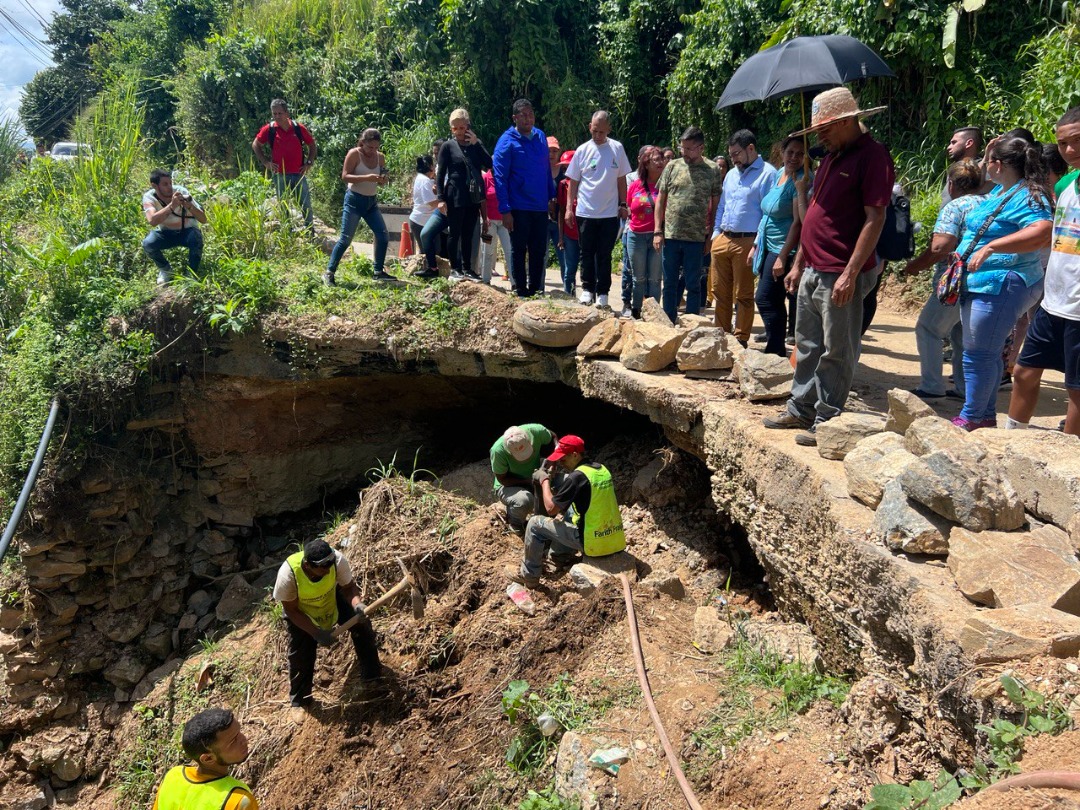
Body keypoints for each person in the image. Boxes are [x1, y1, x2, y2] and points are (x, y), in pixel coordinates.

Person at [762, 88, 894, 446]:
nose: (818, 136)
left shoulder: (873, 156)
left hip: (841, 270)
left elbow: (875, 217)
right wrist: (799, 263)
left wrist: (850, 272)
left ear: (849, 120)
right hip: (813, 267)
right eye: (817, 129)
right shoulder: (832, 157)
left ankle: (827, 418)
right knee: (806, 343)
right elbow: (815, 218)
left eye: (825, 128)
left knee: (837, 348)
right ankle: (800, 408)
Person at [946, 135, 1054, 430]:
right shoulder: (1003, 190)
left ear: (999, 164)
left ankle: (971, 415)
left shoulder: (1029, 195)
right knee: (985, 353)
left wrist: (992, 247)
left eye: (989, 160)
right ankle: (983, 414)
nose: (983, 166)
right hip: (983, 283)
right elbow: (979, 179)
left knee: (977, 354)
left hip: (1002, 283)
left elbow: (1043, 230)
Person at [1008, 107, 1080, 434]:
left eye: (1076, 141)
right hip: (1053, 303)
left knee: (1076, 390)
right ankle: (1013, 443)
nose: (1068, 150)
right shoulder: (1065, 184)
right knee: (1023, 373)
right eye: (1062, 143)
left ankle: (1068, 468)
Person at [902, 160, 987, 400]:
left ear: (950, 184)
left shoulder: (954, 206)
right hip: (981, 279)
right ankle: (962, 388)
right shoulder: (989, 203)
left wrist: (915, 266)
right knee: (961, 335)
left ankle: (931, 386)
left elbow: (940, 246)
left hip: (954, 282)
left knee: (928, 328)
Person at [273, 539, 381, 708]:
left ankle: (372, 676)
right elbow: (291, 610)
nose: (329, 568)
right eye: (324, 566)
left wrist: (357, 604)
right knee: (301, 653)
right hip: (301, 611)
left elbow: (348, 587)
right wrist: (315, 633)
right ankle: (301, 702)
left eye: (330, 563)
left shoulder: (337, 561)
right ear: (308, 565)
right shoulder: (288, 575)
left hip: (332, 597)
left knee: (362, 626)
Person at [508, 435, 626, 588]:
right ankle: (559, 557)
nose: (561, 463)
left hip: (593, 543)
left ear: (575, 455)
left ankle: (529, 577)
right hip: (615, 540)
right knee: (572, 511)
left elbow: (551, 509)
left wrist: (545, 481)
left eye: (563, 459)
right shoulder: (601, 469)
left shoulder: (576, 477)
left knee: (534, 523)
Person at [710, 130, 776, 346]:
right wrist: (716, 234)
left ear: (751, 149)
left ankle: (740, 339)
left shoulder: (768, 174)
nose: (734, 159)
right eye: (731, 155)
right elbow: (722, 206)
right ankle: (720, 336)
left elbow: (769, 212)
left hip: (748, 241)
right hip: (723, 238)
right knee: (720, 292)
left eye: (737, 153)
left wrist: (757, 244)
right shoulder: (731, 174)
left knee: (744, 295)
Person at [655, 126, 723, 322]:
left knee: (693, 283)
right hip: (671, 235)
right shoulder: (672, 166)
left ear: (700, 147)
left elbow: (716, 204)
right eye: (681, 148)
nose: (683, 152)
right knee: (669, 282)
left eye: (688, 149)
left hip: (696, 238)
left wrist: (710, 237)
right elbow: (661, 198)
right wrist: (658, 230)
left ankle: (691, 323)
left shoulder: (712, 170)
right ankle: (668, 321)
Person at [565, 111, 632, 307]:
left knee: (604, 253)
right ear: (589, 127)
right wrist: (569, 208)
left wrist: (623, 204)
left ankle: (603, 293)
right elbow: (573, 182)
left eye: (602, 132)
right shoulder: (582, 150)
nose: (597, 135)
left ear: (609, 130)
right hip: (585, 211)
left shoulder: (617, 149)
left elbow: (621, 180)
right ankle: (587, 289)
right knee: (586, 252)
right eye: (595, 131)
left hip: (609, 212)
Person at [493, 99, 558, 297]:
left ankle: (536, 290)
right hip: (518, 207)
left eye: (530, 114)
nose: (528, 118)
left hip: (539, 206)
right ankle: (520, 289)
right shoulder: (507, 141)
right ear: (515, 118)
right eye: (523, 115)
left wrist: (551, 197)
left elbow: (546, 169)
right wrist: (505, 210)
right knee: (519, 249)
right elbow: (500, 176)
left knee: (539, 251)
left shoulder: (539, 137)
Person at [750, 136, 806, 356]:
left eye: (800, 154)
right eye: (790, 152)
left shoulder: (802, 180)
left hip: (785, 248)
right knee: (772, 299)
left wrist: (783, 256)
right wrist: (756, 244)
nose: (794, 157)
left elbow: (798, 222)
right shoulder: (779, 174)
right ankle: (775, 348)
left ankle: (775, 349)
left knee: (765, 298)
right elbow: (767, 214)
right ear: (782, 152)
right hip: (768, 245)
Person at [324, 128, 392, 285]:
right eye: (370, 147)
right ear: (363, 143)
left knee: (382, 235)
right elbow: (345, 176)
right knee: (345, 239)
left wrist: (383, 180)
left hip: (371, 202)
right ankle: (329, 272)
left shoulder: (380, 157)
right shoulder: (354, 154)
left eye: (376, 147)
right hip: (354, 200)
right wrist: (366, 177)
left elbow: (383, 180)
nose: (373, 151)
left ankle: (378, 271)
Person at [152, 708, 256, 810]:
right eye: (233, 741)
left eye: (239, 732)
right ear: (208, 759)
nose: (243, 739)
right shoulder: (238, 800)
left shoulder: (173, 777)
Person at [437, 109, 492, 281]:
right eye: (455, 129)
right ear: (451, 129)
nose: (460, 132)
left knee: (469, 233)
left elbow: (489, 163)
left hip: (472, 196)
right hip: (455, 194)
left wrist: (476, 143)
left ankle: (468, 268)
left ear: (468, 126)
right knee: (455, 233)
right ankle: (455, 268)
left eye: (462, 127)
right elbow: (440, 174)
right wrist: (440, 198)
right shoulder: (448, 147)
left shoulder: (475, 144)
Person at [252, 99, 317, 233]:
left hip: (299, 173)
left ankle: (310, 231)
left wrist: (309, 163)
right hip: (280, 174)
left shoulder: (298, 128)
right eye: (274, 114)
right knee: (283, 203)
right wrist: (265, 162)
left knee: (305, 202)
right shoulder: (269, 129)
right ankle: (287, 231)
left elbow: (312, 144)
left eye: (280, 113)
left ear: (287, 113)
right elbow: (256, 144)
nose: (277, 116)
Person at [142, 169, 207, 285]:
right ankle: (166, 270)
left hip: (187, 233)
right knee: (148, 243)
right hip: (166, 234)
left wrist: (190, 206)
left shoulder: (181, 191)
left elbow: (203, 219)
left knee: (196, 237)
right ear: (154, 186)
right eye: (165, 184)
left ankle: (191, 274)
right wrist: (172, 206)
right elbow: (152, 221)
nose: (170, 187)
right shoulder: (149, 197)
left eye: (170, 183)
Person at [490, 424, 555, 535]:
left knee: (562, 484)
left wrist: (554, 459)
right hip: (509, 485)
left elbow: (553, 437)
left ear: (529, 439)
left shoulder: (535, 431)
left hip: (535, 475)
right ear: (509, 450)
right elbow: (502, 479)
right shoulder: (498, 451)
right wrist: (528, 482)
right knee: (524, 500)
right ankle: (515, 523)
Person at [625, 146, 664, 318]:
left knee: (655, 279)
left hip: (656, 236)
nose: (660, 162)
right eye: (656, 159)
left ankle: (654, 315)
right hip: (636, 236)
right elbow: (629, 207)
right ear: (646, 164)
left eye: (661, 159)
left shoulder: (665, 186)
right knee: (638, 278)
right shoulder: (635, 185)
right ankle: (636, 311)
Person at [479, 169, 513, 284]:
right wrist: (484, 217)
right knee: (487, 251)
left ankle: (515, 283)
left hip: (504, 221)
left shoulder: (505, 176)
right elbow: (481, 199)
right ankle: (485, 280)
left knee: (509, 251)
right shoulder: (485, 178)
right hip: (489, 221)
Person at [409, 155, 440, 279]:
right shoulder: (425, 181)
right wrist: (445, 200)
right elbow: (431, 204)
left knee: (431, 250)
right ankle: (427, 274)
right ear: (431, 167)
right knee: (430, 251)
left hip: (422, 220)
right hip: (421, 221)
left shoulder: (422, 179)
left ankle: (427, 274)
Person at [556, 151, 581, 294]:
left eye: (569, 167)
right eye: (564, 168)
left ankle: (590, 298)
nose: (566, 171)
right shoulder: (562, 185)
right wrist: (560, 237)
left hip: (585, 232)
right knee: (570, 268)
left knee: (588, 268)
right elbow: (560, 211)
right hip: (569, 233)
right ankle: (569, 297)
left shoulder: (586, 182)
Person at [943, 126, 984, 203]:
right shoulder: (954, 169)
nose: (949, 147)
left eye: (954, 142)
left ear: (969, 143)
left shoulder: (983, 171)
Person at [547, 136, 567, 281]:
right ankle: (537, 289)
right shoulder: (540, 170)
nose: (551, 154)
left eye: (554, 151)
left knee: (564, 257)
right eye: (549, 151)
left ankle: (568, 290)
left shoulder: (564, 172)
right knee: (540, 255)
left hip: (560, 221)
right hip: (542, 219)